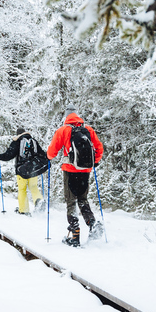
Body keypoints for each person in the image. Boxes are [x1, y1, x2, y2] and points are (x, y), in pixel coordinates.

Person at [47, 106, 104, 247]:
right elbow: (99, 148)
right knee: (83, 199)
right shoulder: (88, 130)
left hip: (70, 171)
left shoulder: (63, 130)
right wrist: (95, 162)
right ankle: (92, 223)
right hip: (85, 171)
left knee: (71, 201)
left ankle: (75, 235)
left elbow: (51, 152)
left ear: (66, 117)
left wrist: (47, 157)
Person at [0, 128, 45, 215]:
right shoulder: (33, 141)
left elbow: (9, 155)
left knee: (22, 189)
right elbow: (42, 154)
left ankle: (24, 210)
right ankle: (39, 201)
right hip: (33, 169)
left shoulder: (17, 142)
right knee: (33, 187)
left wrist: (0, 156)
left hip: (21, 170)